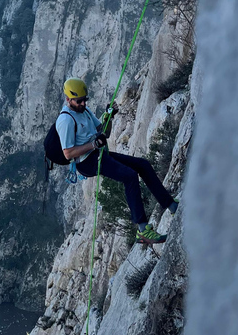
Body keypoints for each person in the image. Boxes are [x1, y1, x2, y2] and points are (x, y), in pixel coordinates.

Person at [56, 77, 179, 244]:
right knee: (129, 176)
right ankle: (143, 230)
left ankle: (171, 206)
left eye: (85, 100)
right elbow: (68, 153)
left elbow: (104, 133)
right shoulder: (65, 120)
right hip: (86, 162)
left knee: (142, 165)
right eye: (79, 101)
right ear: (68, 99)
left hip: (98, 153)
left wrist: (109, 117)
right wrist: (93, 144)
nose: (83, 104)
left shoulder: (84, 111)